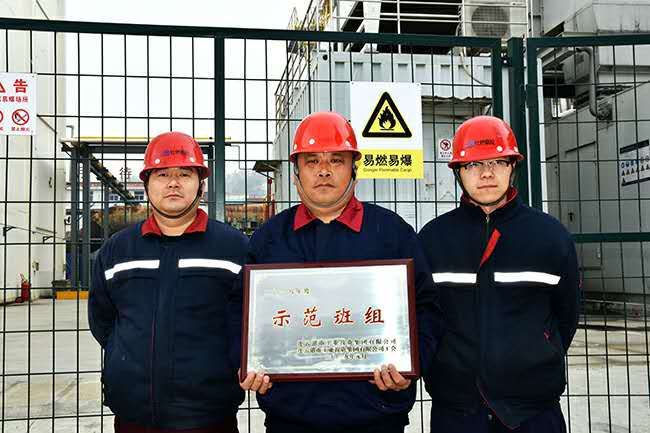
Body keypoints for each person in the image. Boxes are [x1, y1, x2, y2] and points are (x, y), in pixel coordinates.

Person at [230, 111, 442, 433]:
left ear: (354, 168)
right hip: (290, 418)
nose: (324, 170)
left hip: (376, 416)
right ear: (297, 172)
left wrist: (412, 365)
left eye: (336, 160)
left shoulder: (392, 233)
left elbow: (426, 307)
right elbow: (239, 311)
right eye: (312, 161)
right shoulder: (269, 238)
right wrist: (246, 361)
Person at [418, 116, 580, 433]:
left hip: (533, 411)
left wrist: (536, 352)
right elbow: (424, 315)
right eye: (473, 164)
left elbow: (567, 315)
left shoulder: (550, 237)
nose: (487, 173)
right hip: (456, 409)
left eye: (497, 162)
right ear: (457, 171)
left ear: (512, 166)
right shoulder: (433, 240)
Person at [89, 132, 248, 433]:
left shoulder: (234, 248)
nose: (173, 183)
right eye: (162, 174)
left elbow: (244, 322)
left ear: (201, 185)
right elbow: (103, 321)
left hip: (209, 415)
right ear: (147, 184)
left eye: (185, 174)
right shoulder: (117, 251)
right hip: (133, 414)